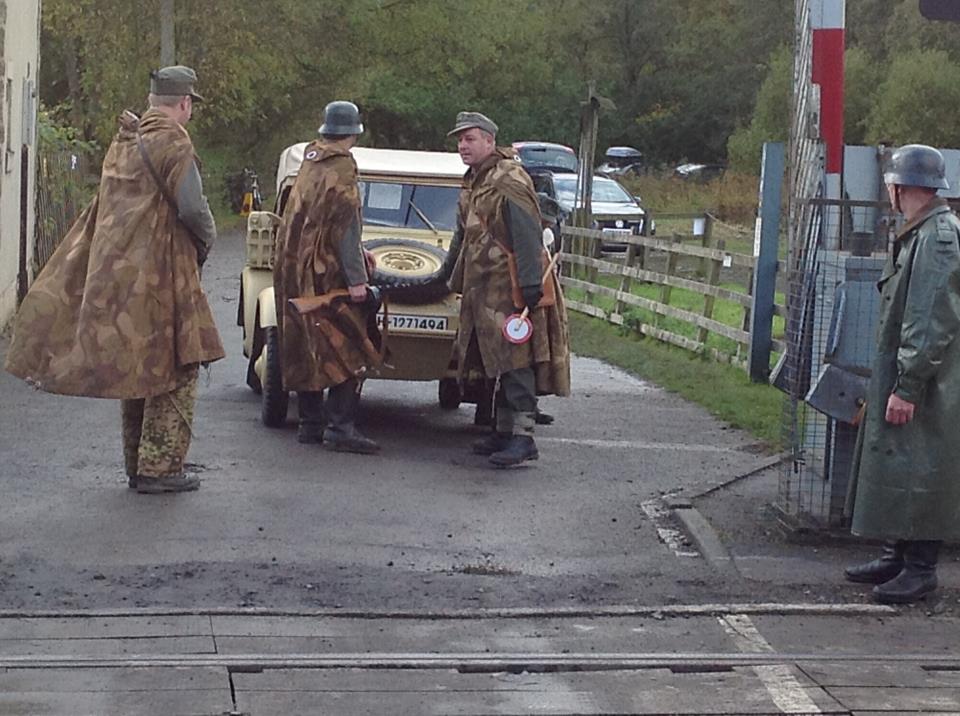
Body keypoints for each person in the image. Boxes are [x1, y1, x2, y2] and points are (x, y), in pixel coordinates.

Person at [5, 65, 224, 494]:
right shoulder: (174, 142)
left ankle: (136, 463)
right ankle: (160, 469)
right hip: (161, 274)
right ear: (184, 103)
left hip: (119, 274)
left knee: (138, 363)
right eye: (191, 104)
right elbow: (193, 209)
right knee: (176, 364)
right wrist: (207, 242)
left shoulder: (126, 139)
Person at [844, 144, 960, 604]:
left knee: (924, 465)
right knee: (900, 459)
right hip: (917, 372)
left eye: (891, 183)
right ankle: (896, 554)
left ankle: (920, 568)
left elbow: (930, 317)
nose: (888, 190)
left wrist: (908, 385)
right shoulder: (921, 231)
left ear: (901, 187)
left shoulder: (938, 237)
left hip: (931, 380)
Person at [447, 111, 570, 467]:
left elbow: (527, 232)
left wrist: (530, 285)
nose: (463, 146)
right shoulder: (475, 180)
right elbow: (463, 235)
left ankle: (523, 436)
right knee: (494, 361)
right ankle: (502, 431)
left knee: (516, 361)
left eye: (470, 139)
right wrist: (446, 277)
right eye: (460, 140)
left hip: (510, 286)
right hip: (483, 288)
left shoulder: (508, 178)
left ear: (489, 141)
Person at [274, 100, 382, 454]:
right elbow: (345, 226)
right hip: (325, 271)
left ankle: (310, 423)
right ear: (354, 133)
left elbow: (313, 217)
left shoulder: (310, 161)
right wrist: (356, 278)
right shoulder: (341, 166)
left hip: (295, 266)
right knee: (349, 341)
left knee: (306, 340)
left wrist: (357, 251)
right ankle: (340, 426)